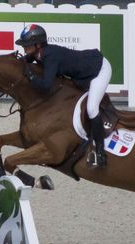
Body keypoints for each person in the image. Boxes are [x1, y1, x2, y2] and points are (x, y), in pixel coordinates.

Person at [15, 24, 112, 168]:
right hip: (83, 72)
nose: (25, 48)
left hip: (98, 69)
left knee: (92, 109)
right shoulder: (38, 54)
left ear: (38, 44)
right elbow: (23, 62)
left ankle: (100, 152)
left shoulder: (50, 55)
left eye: (27, 45)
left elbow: (46, 85)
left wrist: (30, 76)